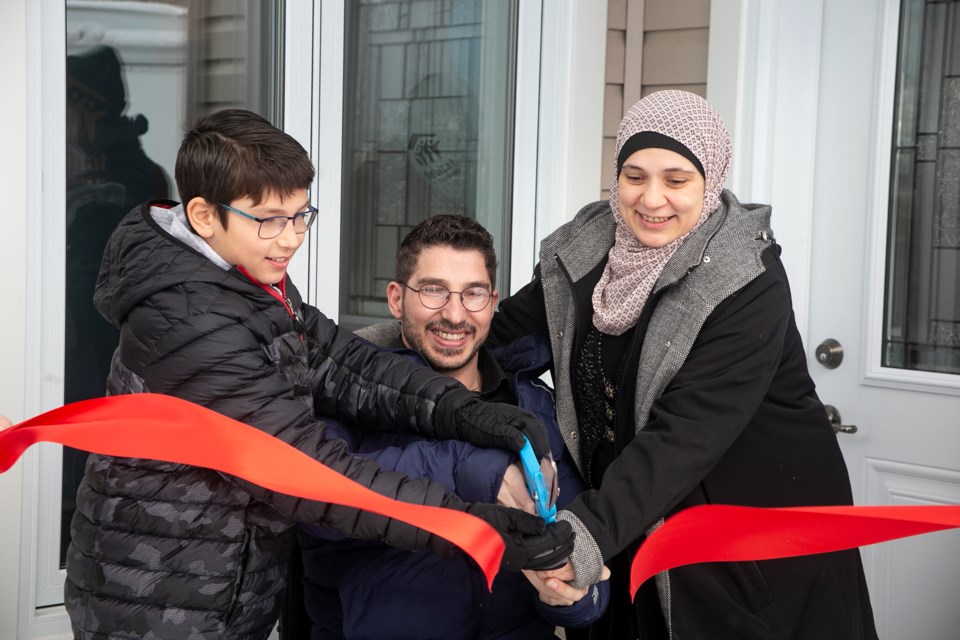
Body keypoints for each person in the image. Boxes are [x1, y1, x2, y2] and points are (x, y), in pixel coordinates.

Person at [65, 109, 572, 640]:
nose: (289, 239)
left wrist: (468, 413)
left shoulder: (245, 279)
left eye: (300, 215)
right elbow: (305, 471)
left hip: (214, 584)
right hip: (154, 599)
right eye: (268, 219)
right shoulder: (190, 319)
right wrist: (475, 525)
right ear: (203, 215)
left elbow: (347, 365)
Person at [488, 90, 879, 639]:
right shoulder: (589, 253)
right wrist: (361, 355)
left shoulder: (745, 282)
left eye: (676, 180)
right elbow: (492, 336)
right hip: (637, 520)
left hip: (747, 546)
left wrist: (586, 534)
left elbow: (684, 436)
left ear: (709, 181)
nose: (651, 199)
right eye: (634, 175)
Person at [296, 215, 609, 639]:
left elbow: (578, 545)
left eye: (473, 294)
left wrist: (572, 591)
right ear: (395, 298)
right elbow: (316, 507)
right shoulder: (345, 397)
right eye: (433, 290)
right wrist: (477, 472)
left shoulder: (533, 405)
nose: (455, 314)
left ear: (493, 303)